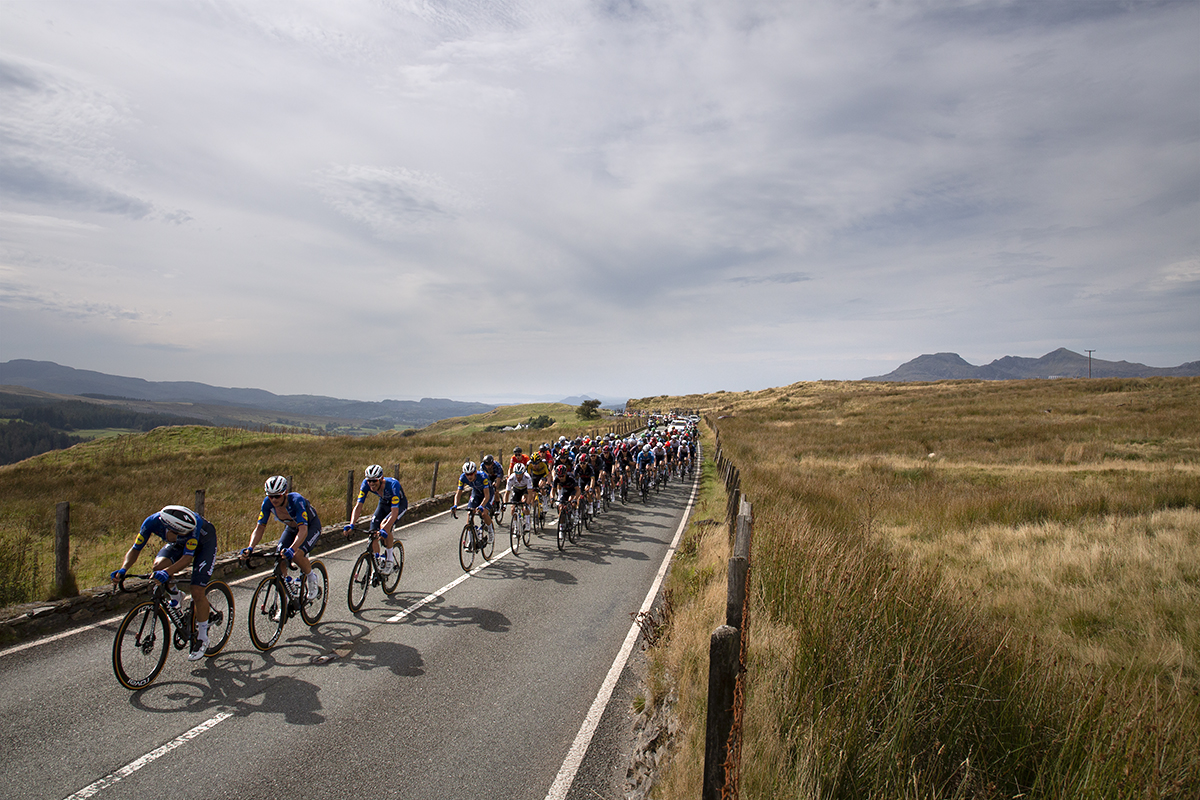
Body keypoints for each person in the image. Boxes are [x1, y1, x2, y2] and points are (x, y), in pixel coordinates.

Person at [110, 505, 217, 661]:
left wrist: (166, 573)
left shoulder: (193, 527)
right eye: (181, 533)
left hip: (204, 543)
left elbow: (186, 559)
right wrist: (123, 570)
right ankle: (176, 595)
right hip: (179, 544)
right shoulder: (151, 522)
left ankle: (202, 638)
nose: (183, 534)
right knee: (158, 566)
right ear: (170, 528)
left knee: (197, 590)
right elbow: (135, 548)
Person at [243, 475, 324, 598]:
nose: (274, 500)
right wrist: (250, 548)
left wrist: (292, 549)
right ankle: (289, 585)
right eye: (270, 496)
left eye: (277, 496)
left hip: (310, 527)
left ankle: (312, 578)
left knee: (297, 555)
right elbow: (260, 528)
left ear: (285, 492)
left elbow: (303, 530)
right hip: (291, 528)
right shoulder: (267, 504)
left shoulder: (296, 500)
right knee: (279, 556)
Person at [344, 464, 408, 575]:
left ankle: (389, 561)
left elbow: (394, 513)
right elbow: (358, 505)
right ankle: (378, 560)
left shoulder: (393, 485)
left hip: (399, 505)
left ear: (381, 479)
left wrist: (385, 529)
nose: (372, 484)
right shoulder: (365, 485)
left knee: (384, 526)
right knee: (373, 532)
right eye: (369, 481)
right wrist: (351, 524)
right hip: (384, 503)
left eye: (374, 481)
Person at [452, 460, 494, 542]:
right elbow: (458, 493)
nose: (469, 476)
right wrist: (455, 505)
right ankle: (471, 540)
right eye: (467, 474)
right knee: (470, 513)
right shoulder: (462, 478)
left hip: (487, 493)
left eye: (471, 474)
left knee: (484, 513)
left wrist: (481, 506)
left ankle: (490, 531)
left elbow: (487, 496)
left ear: (475, 472)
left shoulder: (482, 476)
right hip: (476, 492)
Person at [504, 462, 535, 533]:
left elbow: (530, 493)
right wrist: (504, 504)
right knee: (512, 508)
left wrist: (527, 503)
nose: (518, 476)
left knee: (524, 505)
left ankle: (527, 523)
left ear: (523, 473)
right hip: (516, 490)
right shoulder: (511, 478)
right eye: (516, 474)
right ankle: (516, 527)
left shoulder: (527, 477)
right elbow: (507, 493)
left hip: (525, 490)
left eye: (520, 474)